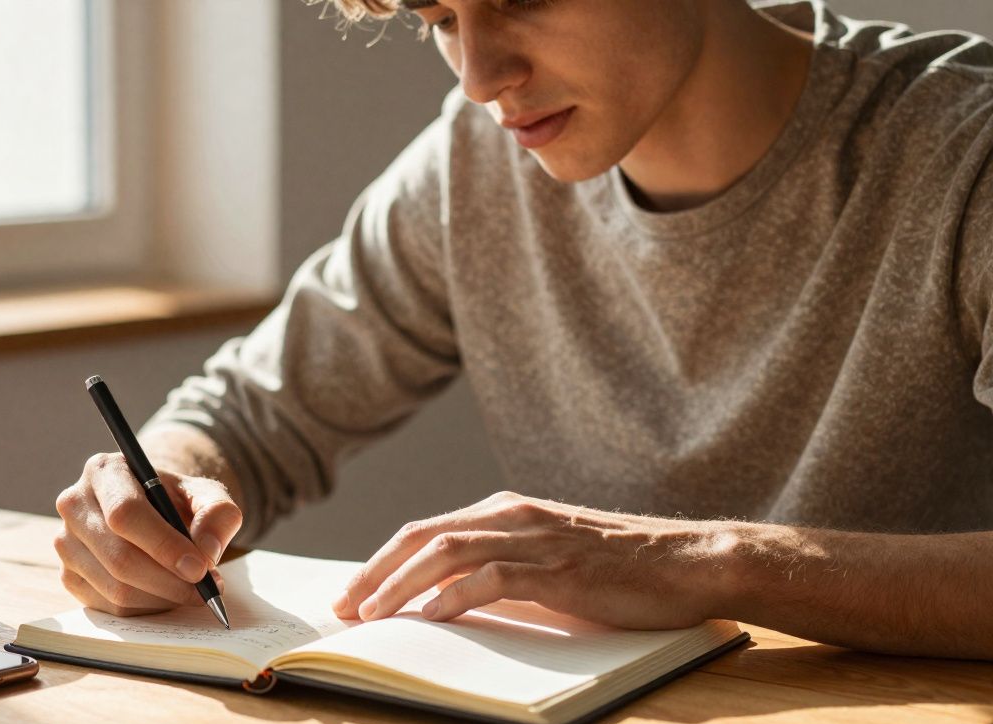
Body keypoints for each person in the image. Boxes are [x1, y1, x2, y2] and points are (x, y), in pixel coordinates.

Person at [54, 0, 993, 659]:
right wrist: (159, 497)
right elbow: (247, 419)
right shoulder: (475, 168)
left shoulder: (965, 153)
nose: (478, 78)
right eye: (440, 19)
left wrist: (705, 563)